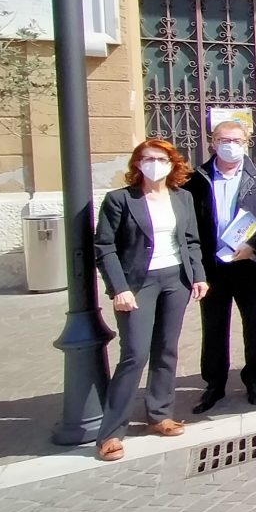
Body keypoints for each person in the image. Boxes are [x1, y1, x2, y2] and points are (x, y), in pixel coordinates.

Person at [92, 139, 209, 461]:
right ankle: (111, 432)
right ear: (137, 163)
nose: (154, 163)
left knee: (167, 350)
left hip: (175, 280)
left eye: (161, 158)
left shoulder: (182, 197)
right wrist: (119, 288)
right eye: (147, 158)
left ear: (172, 164)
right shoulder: (120, 199)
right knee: (134, 354)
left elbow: (191, 241)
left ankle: (159, 414)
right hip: (137, 284)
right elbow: (104, 247)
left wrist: (197, 276)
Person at [186, 117, 256, 414]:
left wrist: (253, 246)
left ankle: (254, 379)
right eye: (224, 140)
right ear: (212, 143)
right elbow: (189, 223)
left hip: (250, 265)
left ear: (247, 144)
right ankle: (214, 384)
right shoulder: (197, 178)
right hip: (213, 266)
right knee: (214, 326)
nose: (230, 146)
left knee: (255, 325)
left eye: (237, 141)